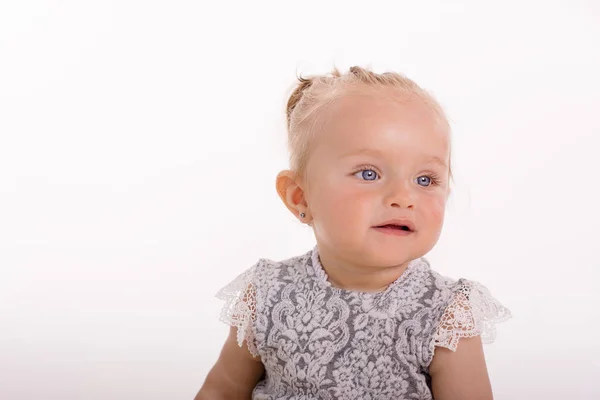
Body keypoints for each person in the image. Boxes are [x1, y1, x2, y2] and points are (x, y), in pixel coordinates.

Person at [195, 66, 511, 400]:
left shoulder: (445, 314)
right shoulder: (268, 295)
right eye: (369, 173)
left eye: (425, 180)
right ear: (300, 197)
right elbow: (223, 389)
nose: (403, 198)